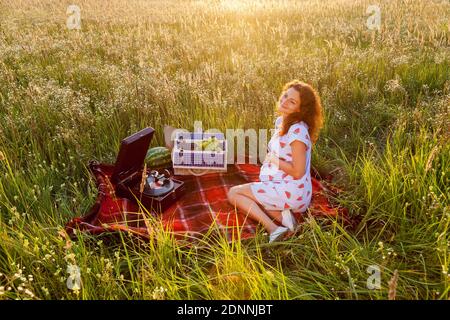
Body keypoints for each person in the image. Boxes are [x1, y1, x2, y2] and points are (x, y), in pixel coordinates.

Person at [227, 80, 324, 243]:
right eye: (285, 95)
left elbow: (298, 172)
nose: (284, 101)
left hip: (293, 191)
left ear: (301, 109)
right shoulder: (283, 121)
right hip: (283, 184)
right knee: (256, 198)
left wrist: (272, 159)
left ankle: (274, 229)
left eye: (292, 101)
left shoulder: (298, 132)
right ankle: (289, 222)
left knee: (234, 193)